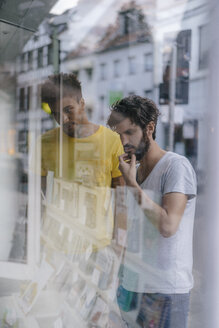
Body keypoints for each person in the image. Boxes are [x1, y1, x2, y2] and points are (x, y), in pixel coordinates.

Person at [107, 95, 197, 328]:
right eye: (119, 134)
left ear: (149, 128)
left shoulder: (175, 166)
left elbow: (168, 226)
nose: (123, 140)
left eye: (129, 132)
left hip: (166, 292)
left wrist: (133, 186)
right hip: (131, 286)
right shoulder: (132, 171)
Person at [39, 73, 124, 190]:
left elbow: (120, 197)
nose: (63, 119)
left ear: (82, 104)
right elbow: (38, 196)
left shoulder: (112, 140)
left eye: (68, 109)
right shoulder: (44, 143)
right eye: (56, 114)